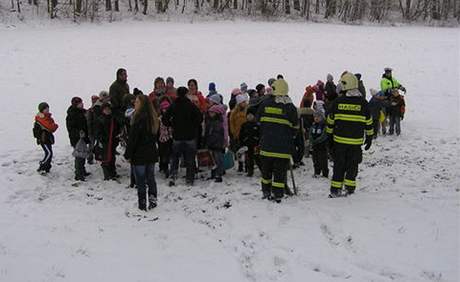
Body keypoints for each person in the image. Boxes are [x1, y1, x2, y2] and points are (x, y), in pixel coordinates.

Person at [326, 72, 373, 198]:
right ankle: (350, 188)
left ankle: (335, 190)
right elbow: (369, 122)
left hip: (339, 142)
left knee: (339, 166)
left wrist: (329, 138)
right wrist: (369, 137)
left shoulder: (337, 102)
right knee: (352, 166)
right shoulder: (363, 103)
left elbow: (330, 121)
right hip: (355, 143)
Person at [256, 78, 298, 203]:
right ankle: (278, 194)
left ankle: (266, 191)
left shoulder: (265, 103)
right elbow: (295, 127)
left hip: (266, 146)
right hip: (282, 149)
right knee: (279, 173)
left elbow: (258, 121)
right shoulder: (290, 107)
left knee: (266, 172)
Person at [125, 94, 160, 211]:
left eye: (137, 102)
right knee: (150, 178)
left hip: (139, 154)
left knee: (140, 180)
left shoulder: (138, 119)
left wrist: (128, 154)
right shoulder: (152, 118)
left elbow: (133, 139)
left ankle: (142, 203)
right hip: (151, 153)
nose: (135, 103)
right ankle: (153, 200)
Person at [163, 86, 203, 186]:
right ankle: (190, 179)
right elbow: (200, 118)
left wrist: (171, 125)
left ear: (177, 94)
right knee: (190, 158)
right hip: (190, 136)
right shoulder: (191, 105)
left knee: (175, 158)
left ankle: (172, 176)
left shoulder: (173, 105)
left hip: (177, 136)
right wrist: (193, 126)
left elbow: (165, 119)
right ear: (186, 94)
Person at [66, 97, 89, 181]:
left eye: (81, 102)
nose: (82, 104)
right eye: (79, 103)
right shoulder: (71, 114)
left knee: (83, 155)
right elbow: (70, 128)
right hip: (76, 139)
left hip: (83, 137)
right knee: (79, 156)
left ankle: (82, 170)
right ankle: (78, 174)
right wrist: (79, 133)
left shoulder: (83, 112)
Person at [94, 103, 119, 181]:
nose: (107, 111)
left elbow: (117, 129)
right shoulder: (100, 119)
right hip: (104, 142)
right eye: (106, 109)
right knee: (105, 158)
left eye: (109, 109)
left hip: (112, 141)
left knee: (112, 157)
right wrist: (102, 139)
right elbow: (97, 132)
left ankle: (113, 172)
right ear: (102, 110)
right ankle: (107, 175)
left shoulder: (113, 119)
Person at [33, 102, 59, 174]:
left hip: (47, 138)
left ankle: (47, 167)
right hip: (43, 139)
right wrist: (54, 125)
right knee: (49, 153)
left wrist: (54, 125)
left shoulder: (47, 117)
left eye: (48, 108)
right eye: (45, 109)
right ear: (42, 110)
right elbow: (51, 127)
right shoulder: (41, 118)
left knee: (49, 153)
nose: (47, 110)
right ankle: (42, 165)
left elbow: (52, 126)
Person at [204, 104, 226, 183]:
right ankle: (213, 174)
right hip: (211, 143)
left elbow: (221, 134)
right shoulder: (209, 121)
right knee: (212, 160)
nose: (210, 114)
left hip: (217, 144)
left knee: (218, 159)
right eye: (210, 112)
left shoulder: (219, 122)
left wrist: (223, 142)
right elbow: (207, 133)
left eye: (212, 112)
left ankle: (218, 175)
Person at [230, 94, 249, 172]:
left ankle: (247, 166)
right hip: (238, 134)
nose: (244, 104)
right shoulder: (234, 112)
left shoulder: (247, 110)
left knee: (246, 150)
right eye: (242, 102)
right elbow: (231, 122)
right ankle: (240, 166)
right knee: (239, 151)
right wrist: (234, 132)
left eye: (244, 102)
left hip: (246, 134)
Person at [239, 112, 260, 177]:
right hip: (247, 145)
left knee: (258, 158)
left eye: (251, 115)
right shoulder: (244, 125)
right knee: (249, 159)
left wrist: (258, 140)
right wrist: (242, 142)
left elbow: (260, 134)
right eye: (248, 115)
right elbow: (241, 135)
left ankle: (263, 171)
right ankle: (250, 171)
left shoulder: (257, 125)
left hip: (256, 144)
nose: (250, 117)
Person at [310, 111, 329, 178]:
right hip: (315, 145)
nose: (316, 118)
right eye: (315, 117)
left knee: (323, 159)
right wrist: (312, 140)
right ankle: (317, 171)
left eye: (318, 117)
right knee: (315, 159)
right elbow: (310, 133)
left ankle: (325, 173)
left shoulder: (324, 125)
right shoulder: (313, 125)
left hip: (322, 145)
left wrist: (317, 140)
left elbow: (324, 135)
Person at [158, 97, 173, 178]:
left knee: (169, 154)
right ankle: (164, 167)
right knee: (163, 154)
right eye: (164, 109)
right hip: (162, 138)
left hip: (170, 138)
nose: (165, 110)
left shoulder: (172, 117)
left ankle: (167, 168)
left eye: (167, 108)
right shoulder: (159, 118)